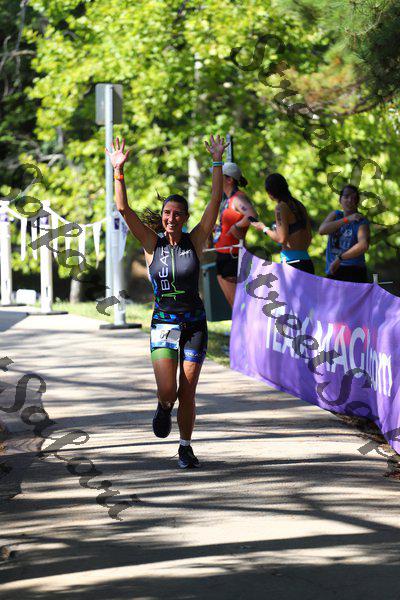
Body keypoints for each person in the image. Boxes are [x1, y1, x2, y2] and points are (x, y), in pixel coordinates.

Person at [106, 135, 228, 469]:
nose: (171, 218)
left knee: (187, 391)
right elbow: (123, 209)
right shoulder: (151, 243)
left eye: (176, 214)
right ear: (161, 217)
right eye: (166, 213)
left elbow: (215, 200)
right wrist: (119, 171)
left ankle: (185, 447)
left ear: (185, 218)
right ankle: (162, 408)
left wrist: (217, 161)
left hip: (194, 324)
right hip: (164, 324)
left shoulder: (195, 240)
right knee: (168, 392)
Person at [250, 173, 314, 274]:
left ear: (270, 192)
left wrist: (263, 228)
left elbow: (281, 239)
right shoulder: (299, 205)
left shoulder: (280, 207)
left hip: (293, 263)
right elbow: (309, 235)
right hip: (307, 261)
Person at [214, 162, 257, 306]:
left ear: (229, 179)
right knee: (232, 303)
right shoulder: (228, 199)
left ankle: (245, 322)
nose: (215, 178)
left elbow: (253, 215)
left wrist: (236, 227)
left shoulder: (238, 198)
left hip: (232, 256)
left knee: (237, 304)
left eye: (219, 176)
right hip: (223, 254)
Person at [319, 184, 370, 283]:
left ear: (357, 202)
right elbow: (322, 230)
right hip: (333, 270)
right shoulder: (336, 215)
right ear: (340, 200)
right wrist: (347, 219)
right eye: (346, 197)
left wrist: (340, 258)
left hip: (353, 270)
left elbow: (363, 245)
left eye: (354, 198)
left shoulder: (361, 221)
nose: (350, 200)